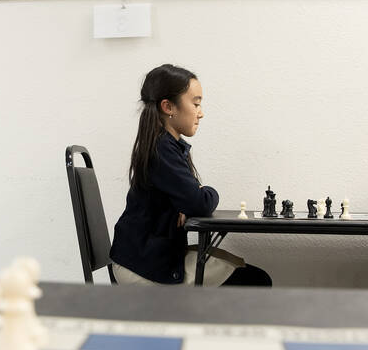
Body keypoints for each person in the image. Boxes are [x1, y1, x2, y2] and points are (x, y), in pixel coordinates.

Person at [109, 64, 271, 287]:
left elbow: (191, 202)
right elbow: (199, 203)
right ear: (168, 107)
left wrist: (189, 202)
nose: (201, 112)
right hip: (142, 265)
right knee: (256, 281)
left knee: (245, 271)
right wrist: (207, 193)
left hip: (145, 256)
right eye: (195, 103)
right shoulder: (162, 149)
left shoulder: (165, 146)